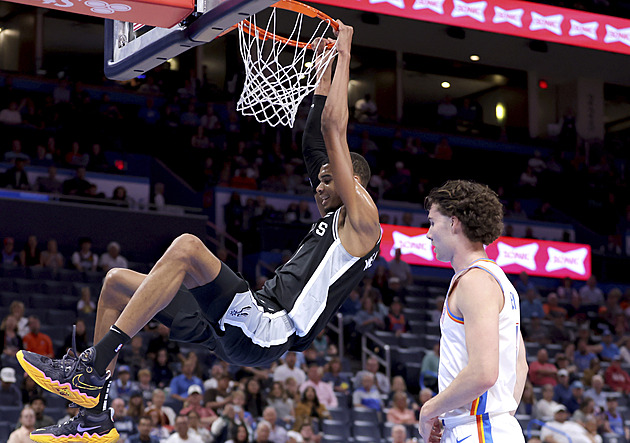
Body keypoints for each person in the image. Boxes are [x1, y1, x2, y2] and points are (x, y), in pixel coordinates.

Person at [17, 22, 380, 442]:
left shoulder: (362, 223)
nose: (318, 185)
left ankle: (91, 369)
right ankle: (93, 419)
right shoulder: (336, 210)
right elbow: (314, 138)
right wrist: (323, 66)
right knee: (116, 284)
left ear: (351, 179)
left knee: (188, 248)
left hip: (267, 327)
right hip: (239, 323)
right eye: (317, 179)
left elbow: (334, 130)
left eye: (327, 178)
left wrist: (347, 50)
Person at [418, 180, 528, 443]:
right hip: (486, 429)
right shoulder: (496, 279)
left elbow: (483, 372)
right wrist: (499, 416)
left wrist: (429, 410)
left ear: (454, 222)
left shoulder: (475, 281)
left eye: (432, 222)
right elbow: (519, 365)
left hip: (479, 431)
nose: (428, 234)